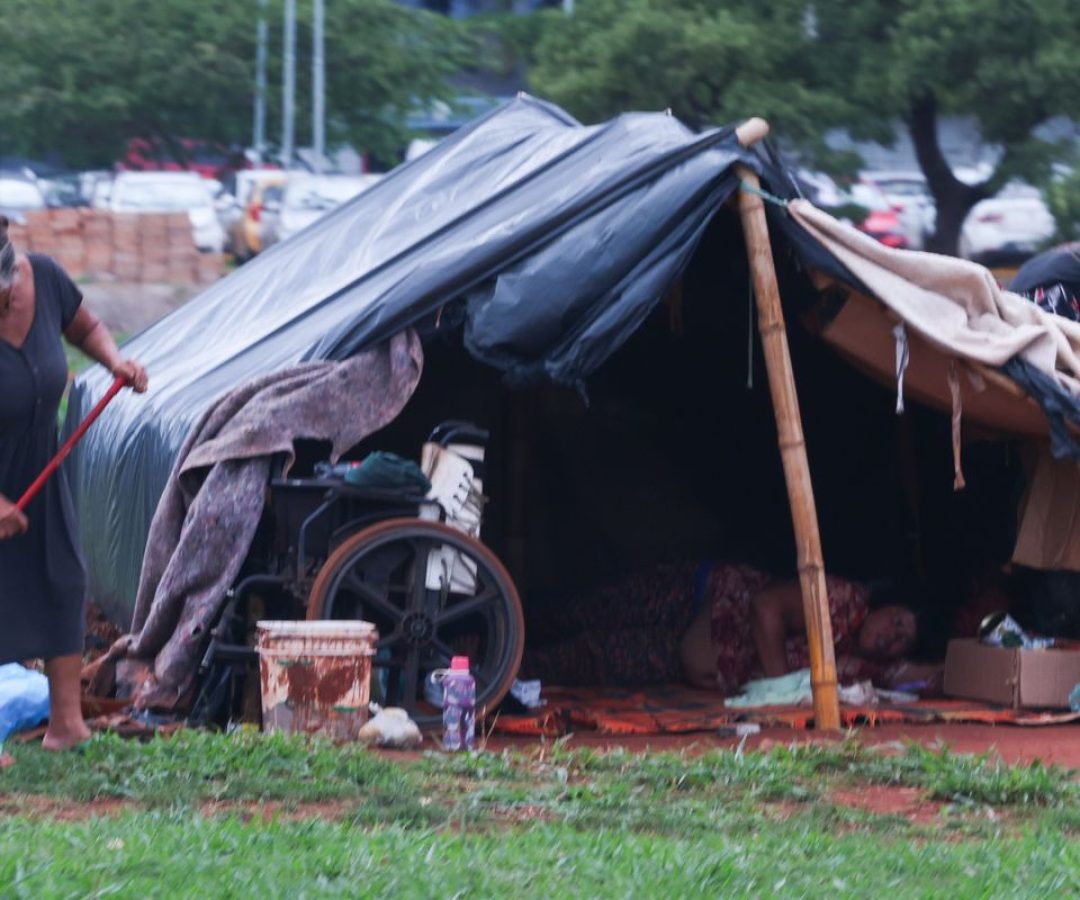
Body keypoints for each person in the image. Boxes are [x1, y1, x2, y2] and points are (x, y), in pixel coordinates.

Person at [0, 216, 147, 757]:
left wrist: (115, 361)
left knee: (62, 579)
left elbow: (84, 327)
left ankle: (67, 725)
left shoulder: (45, 277)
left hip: (40, 460)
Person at [521, 561, 920, 693]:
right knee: (576, 615)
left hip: (684, 654)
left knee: (586, 659)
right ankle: (479, 631)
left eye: (902, 640)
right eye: (898, 619)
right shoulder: (844, 601)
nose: (892, 634)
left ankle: (479, 664)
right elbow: (766, 607)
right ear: (884, 604)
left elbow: (924, 678)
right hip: (692, 597)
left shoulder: (857, 665)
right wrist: (780, 689)